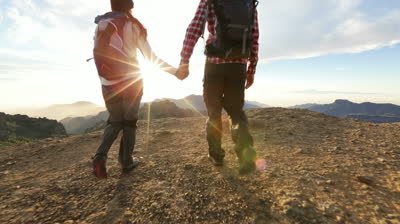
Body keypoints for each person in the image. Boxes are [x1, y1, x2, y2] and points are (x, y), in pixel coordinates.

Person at [92, 0, 178, 178]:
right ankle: (126, 162)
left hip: (108, 83)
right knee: (129, 122)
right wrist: (175, 72)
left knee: (115, 121)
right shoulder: (133, 25)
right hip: (131, 81)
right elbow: (150, 57)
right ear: (129, 5)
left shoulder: (101, 23)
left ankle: (100, 157)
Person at [177, 0, 260, 174]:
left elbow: (193, 29)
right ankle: (245, 156)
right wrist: (251, 69)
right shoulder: (248, 2)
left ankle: (216, 155)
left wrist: (184, 60)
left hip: (215, 63)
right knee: (236, 111)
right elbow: (254, 36)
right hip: (238, 65)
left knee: (214, 111)